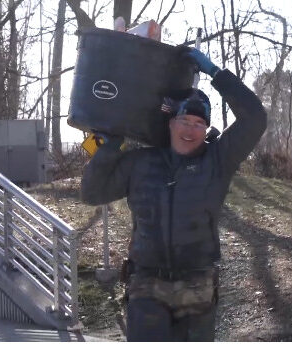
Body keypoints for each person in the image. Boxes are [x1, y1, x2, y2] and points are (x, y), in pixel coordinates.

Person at [80, 48, 267, 341]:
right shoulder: (141, 163)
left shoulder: (217, 161)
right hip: (146, 287)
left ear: (206, 129)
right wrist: (106, 150)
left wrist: (215, 73)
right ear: (170, 123)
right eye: (184, 121)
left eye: (199, 123)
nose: (191, 130)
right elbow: (91, 193)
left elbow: (254, 117)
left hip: (197, 290)